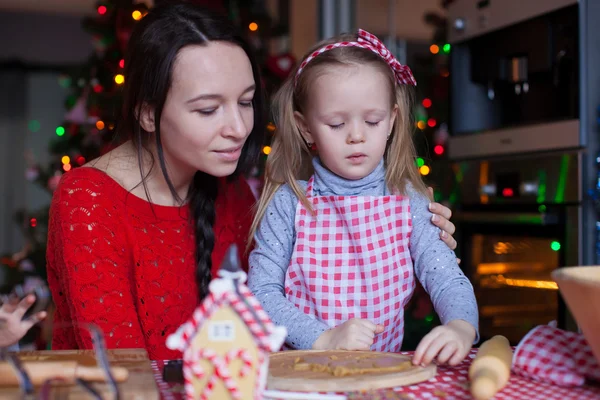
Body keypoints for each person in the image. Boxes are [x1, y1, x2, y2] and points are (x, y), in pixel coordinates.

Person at [46, 4, 458, 361]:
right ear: (148, 113)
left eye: (245, 102)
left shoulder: (234, 191)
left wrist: (404, 240)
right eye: (208, 110)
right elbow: (122, 368)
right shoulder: (88, 199)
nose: (239, 127)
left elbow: (282, 302)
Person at [248, 29, 478, 367]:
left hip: (380, 374)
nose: (357, 136)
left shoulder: (409, 202)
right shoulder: (289, 204)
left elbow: (445, 277)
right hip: (301, 373)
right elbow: (260, 293)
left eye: (372, 120)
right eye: (337, 124)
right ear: (306, 127)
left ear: (392, 122)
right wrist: (323, 338)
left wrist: (461, 325)